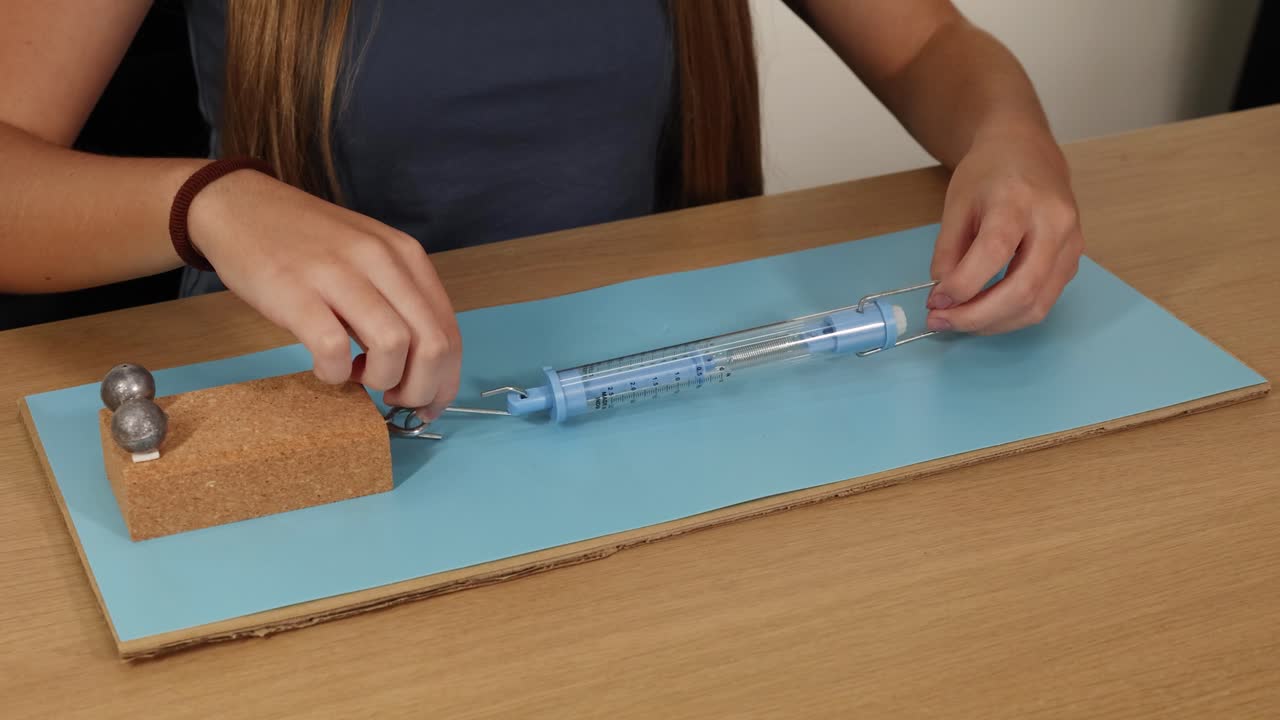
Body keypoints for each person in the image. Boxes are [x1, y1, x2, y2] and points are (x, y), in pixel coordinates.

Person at [0, 0, 1083, 421]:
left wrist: (1006, 139)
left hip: (636, 398)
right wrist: (208, 204)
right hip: (319, 406)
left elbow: (935, 48)